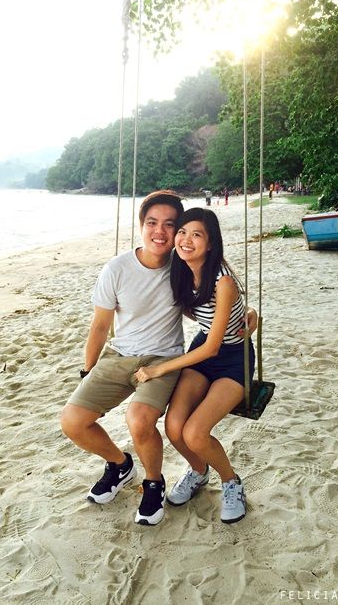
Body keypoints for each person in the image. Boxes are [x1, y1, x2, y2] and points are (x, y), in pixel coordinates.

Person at [60, 190, 185, 527]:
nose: (160, 231)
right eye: (152, 223)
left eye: (169, 225)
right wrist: (88, 370)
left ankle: (154, 482)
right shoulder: (117, 268)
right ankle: (119, 464)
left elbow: (217, 295)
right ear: (141, 226)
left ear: (178, 230)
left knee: (139, 419)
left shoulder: (184, 265)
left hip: (162, 359)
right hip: (119, 355)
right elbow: (101, 325)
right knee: (73, 421)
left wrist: (246, 312)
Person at [135, 207, 256, 524]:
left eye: (197, 234)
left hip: (232, 358)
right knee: (174, 428)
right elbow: (195, 314)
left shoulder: (223, 282)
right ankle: (199, 471)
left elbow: (215, 346)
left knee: (195, 433)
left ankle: (231, 481)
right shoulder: (181, 272)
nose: (186, 240)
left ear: (211, 243)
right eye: (182, 232)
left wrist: (161, 369)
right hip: (202, 350)